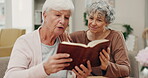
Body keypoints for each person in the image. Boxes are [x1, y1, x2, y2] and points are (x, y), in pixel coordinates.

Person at [4, 0, 92, 78]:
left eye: (66, 17)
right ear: (44, 15)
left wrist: (79, 76)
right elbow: (10, 76)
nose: (63, 21)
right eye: (57, 15)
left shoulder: (66, 42)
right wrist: (44, 69)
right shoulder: (25, 42)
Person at [70, 0, 130, 77]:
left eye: (99, 20)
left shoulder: (116, 36)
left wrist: (107, 66)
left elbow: (126, 70)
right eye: (91, 18)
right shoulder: (75, 37)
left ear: (107, 22)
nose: (93, 23)